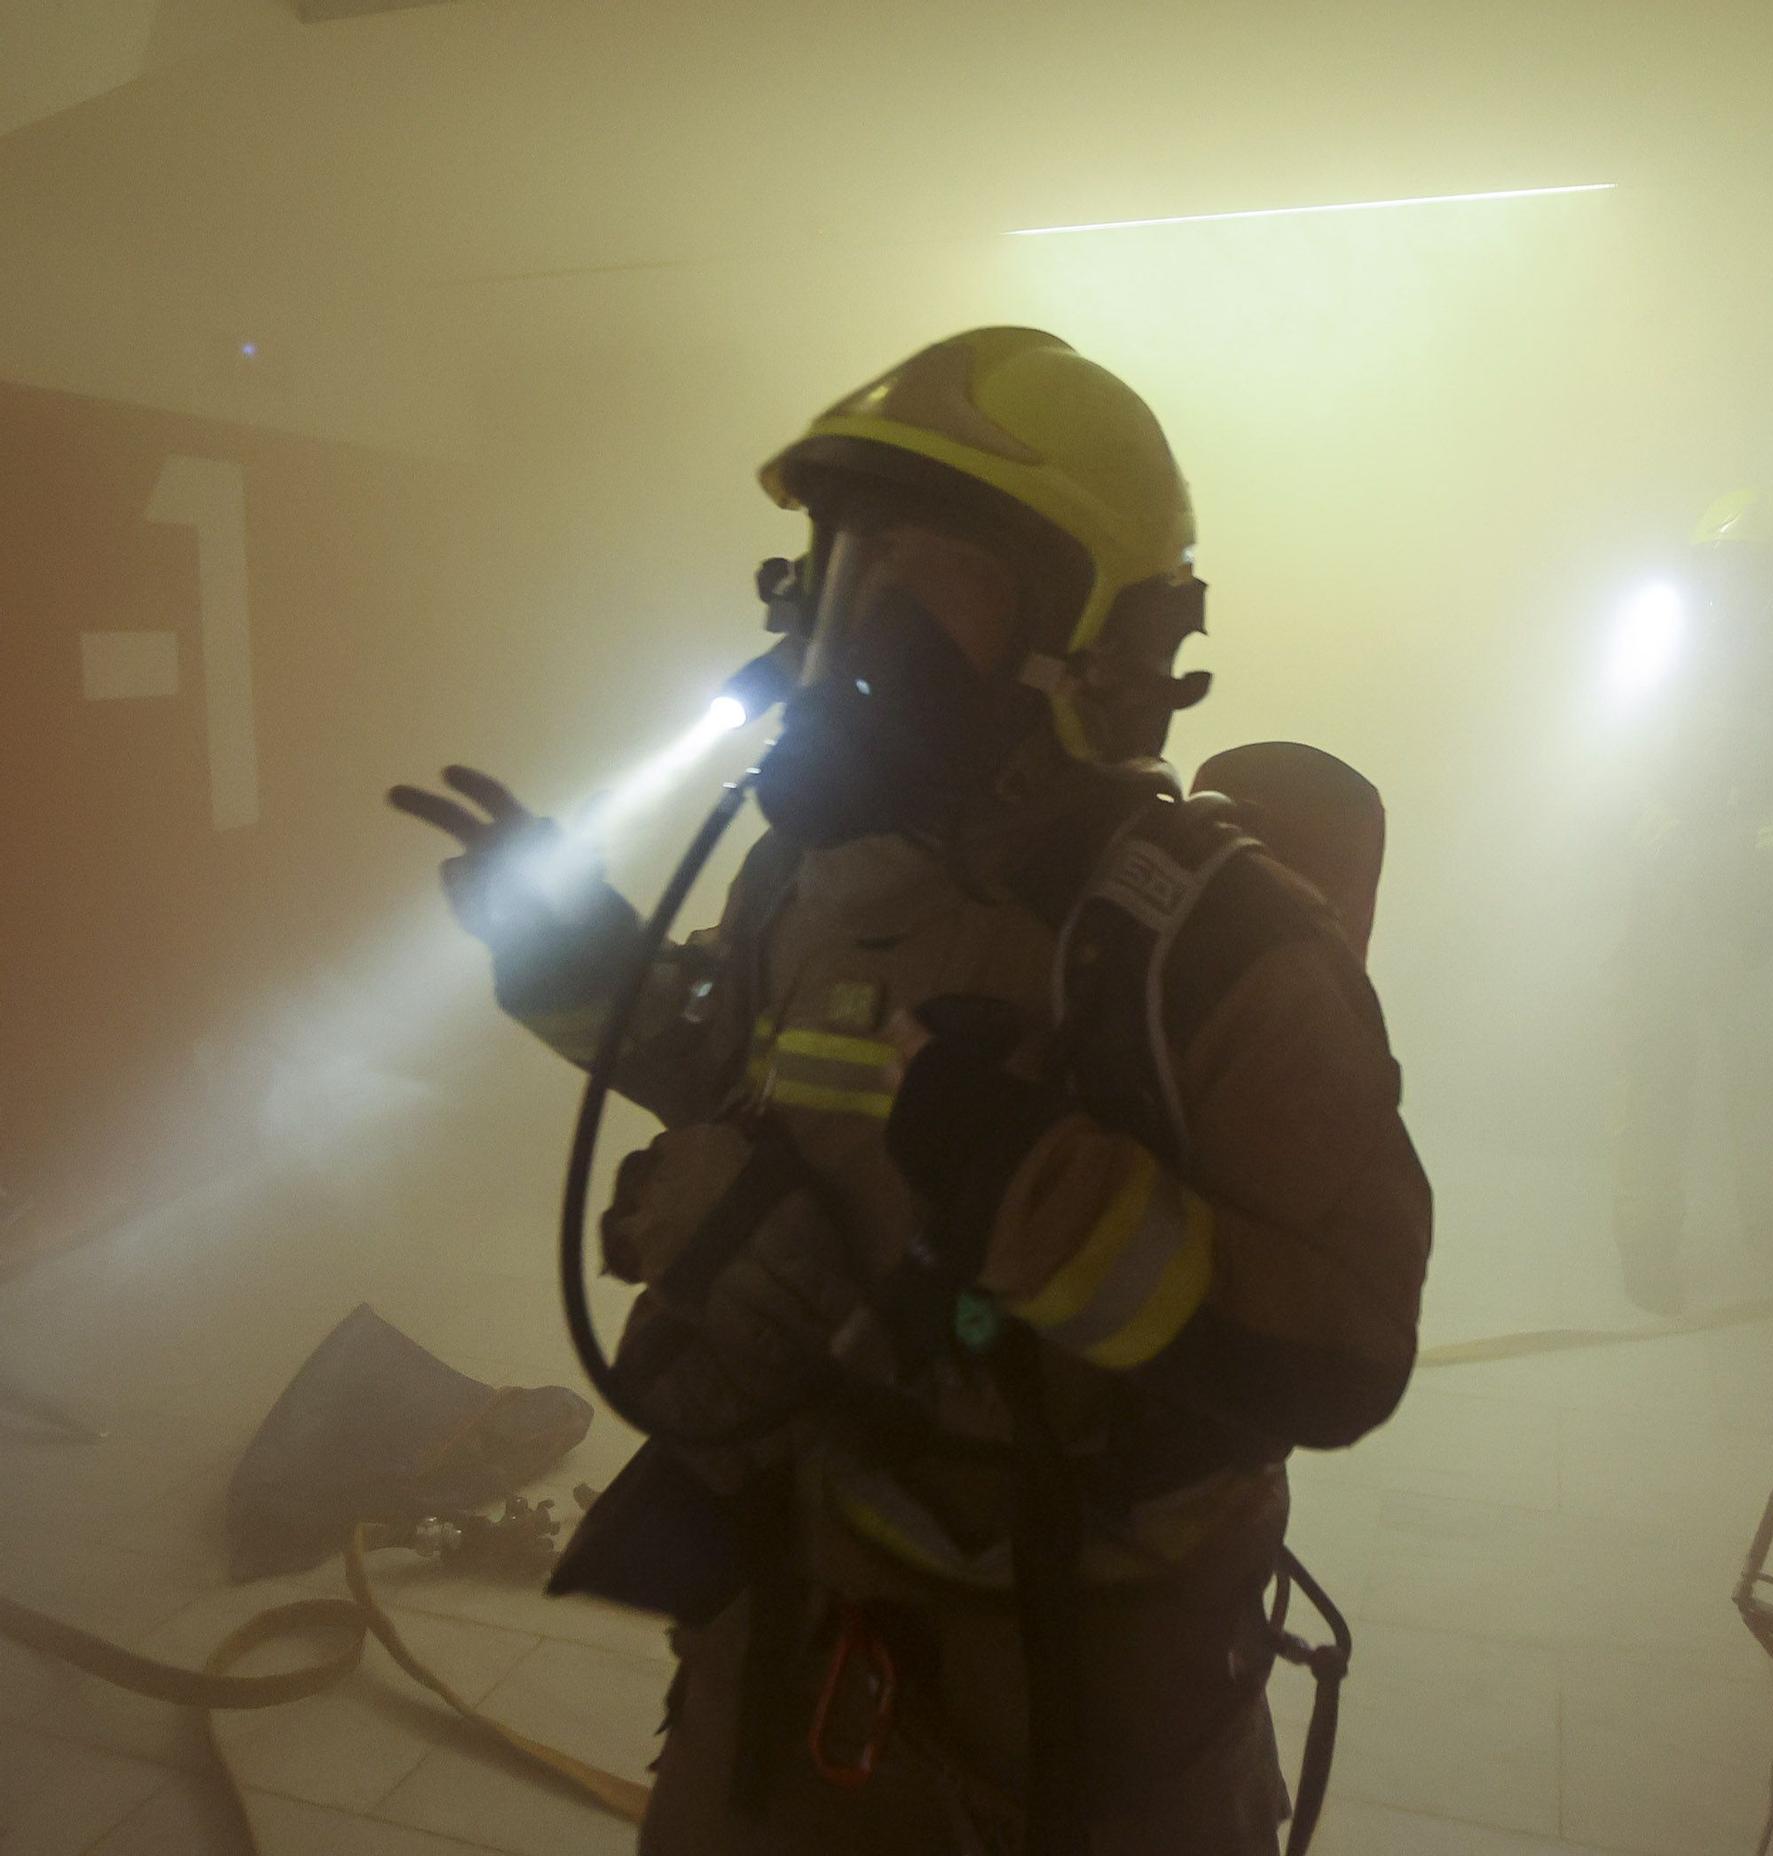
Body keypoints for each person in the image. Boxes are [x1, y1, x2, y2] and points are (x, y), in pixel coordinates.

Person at [391, 327, 1430, 1854]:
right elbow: (727, 1062)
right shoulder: (809, 879)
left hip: (1070, 1721)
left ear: (1097, 636)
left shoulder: (1211, 942)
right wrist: (575, 954)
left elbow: (1345, 1352)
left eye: (935, 575)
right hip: (789, 1649)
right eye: (845, 564)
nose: (861, 622)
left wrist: (1039, 1191)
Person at [1610, 488, 1773, 1317]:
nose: (1746, 592)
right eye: (1734, 574)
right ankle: (1647, 1244)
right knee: (1655, 1082)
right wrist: (1681, 859)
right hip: (1666, 913)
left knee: (1772, 1080)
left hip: (1756, 919)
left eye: (1762, 575)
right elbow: (1632, 780)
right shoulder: (1663, 671)